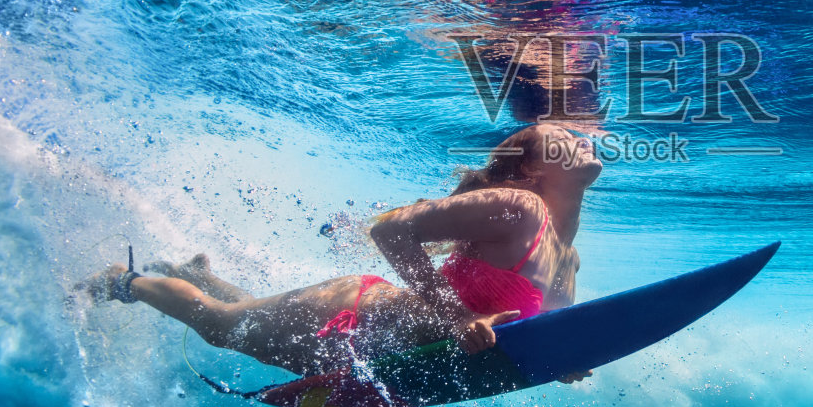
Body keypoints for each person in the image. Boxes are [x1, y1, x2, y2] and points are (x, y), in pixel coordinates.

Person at [85, 124, 601, 380]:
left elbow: (521, 336)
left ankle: (192, 271)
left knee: (243, 318)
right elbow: (391, 232)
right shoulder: (520, 206)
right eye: (563, 139)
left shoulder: (567, 259)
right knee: (222, 327)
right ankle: (122, 282)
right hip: (356, 317)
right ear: (535, 172)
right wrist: (458, 317)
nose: (580, 139)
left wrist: (562, 366)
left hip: (386, 351)